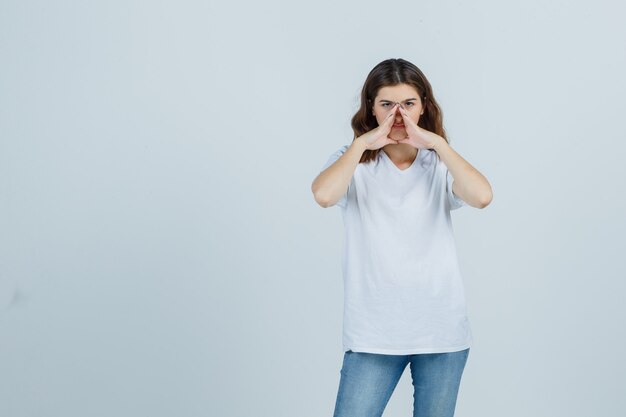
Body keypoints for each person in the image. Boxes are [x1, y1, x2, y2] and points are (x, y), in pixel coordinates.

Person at [311, 58, 493, 417]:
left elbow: (482, 196)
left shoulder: (439, 163)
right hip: (373, 335)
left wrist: (437, 144)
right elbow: (324, 195)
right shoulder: (353, 163)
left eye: (408, 104)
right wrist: (363, 144)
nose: (398, 115)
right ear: (371, 108)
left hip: (441, 333)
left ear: (423, 106)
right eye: (386, 104)